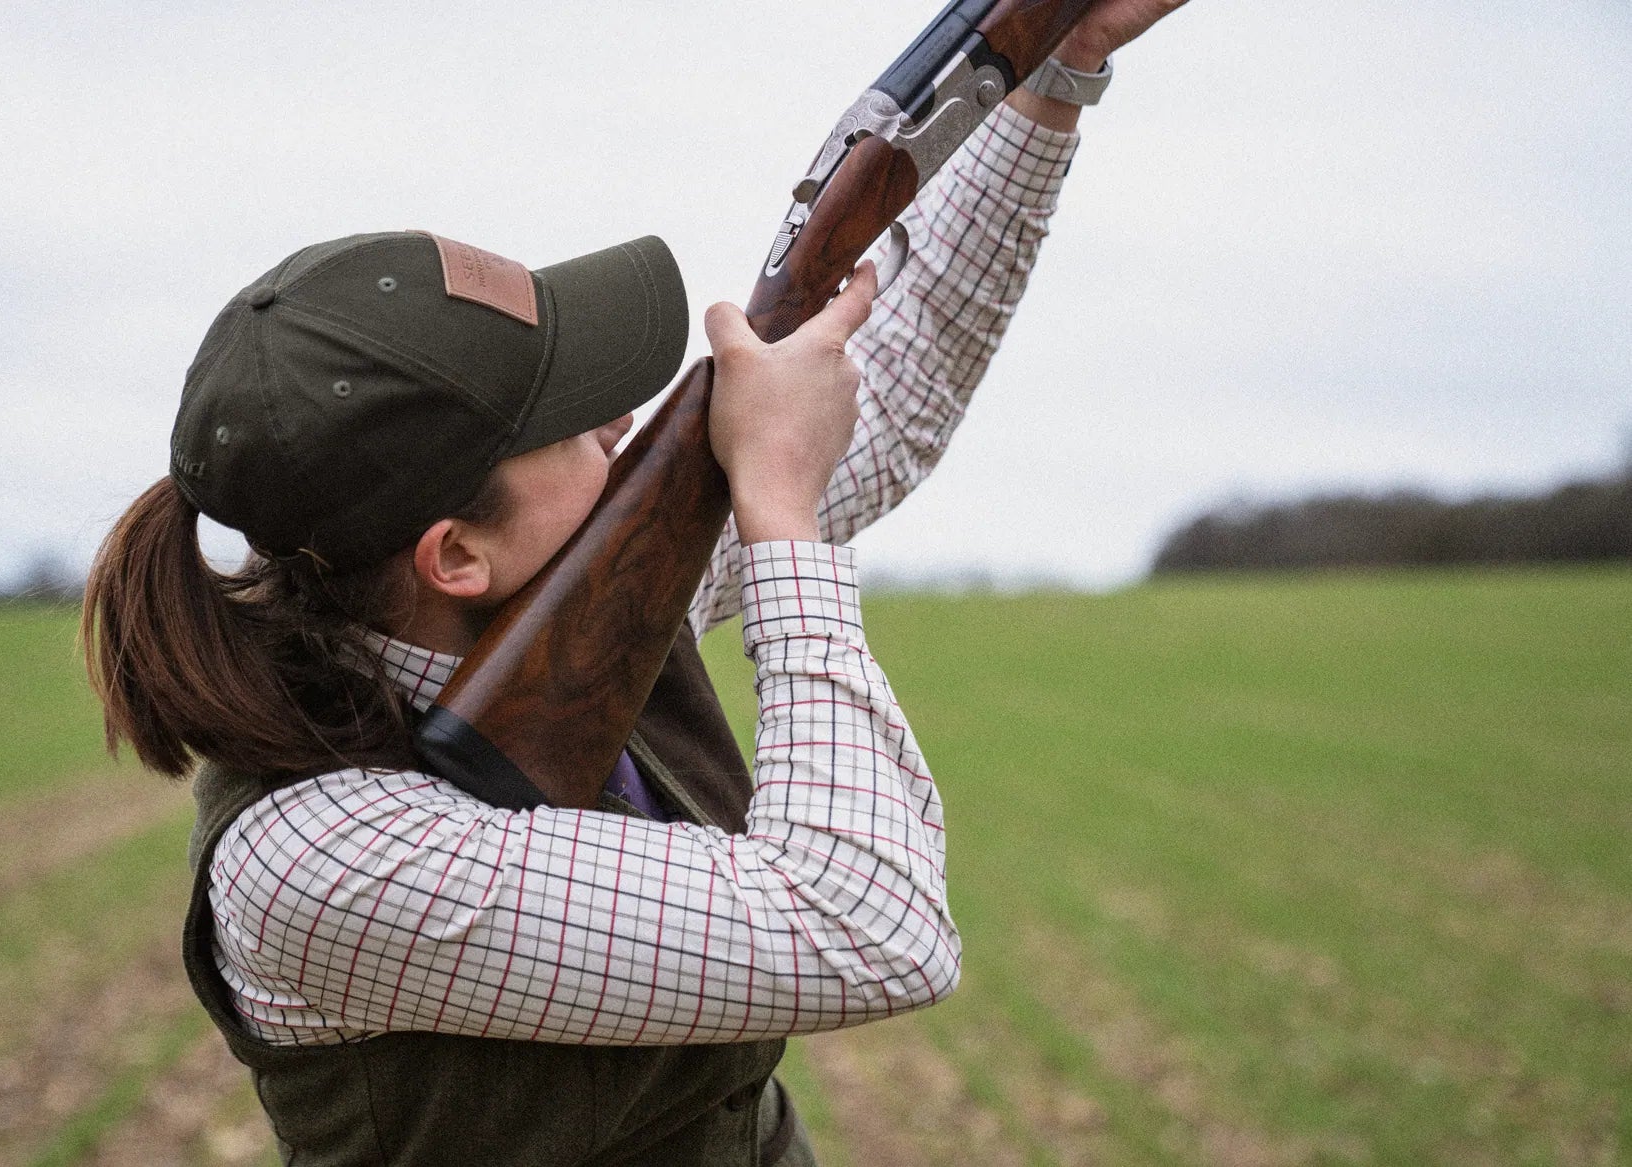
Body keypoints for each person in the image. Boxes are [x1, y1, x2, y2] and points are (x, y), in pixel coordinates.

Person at [83, 4, 1187, 1163]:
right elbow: (873, 929)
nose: (623, 418)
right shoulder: (317, 861)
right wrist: (780, 520)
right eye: (570, 421)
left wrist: (1057, 66)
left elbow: (893, 393)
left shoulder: (569, 592)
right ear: (456, 554)